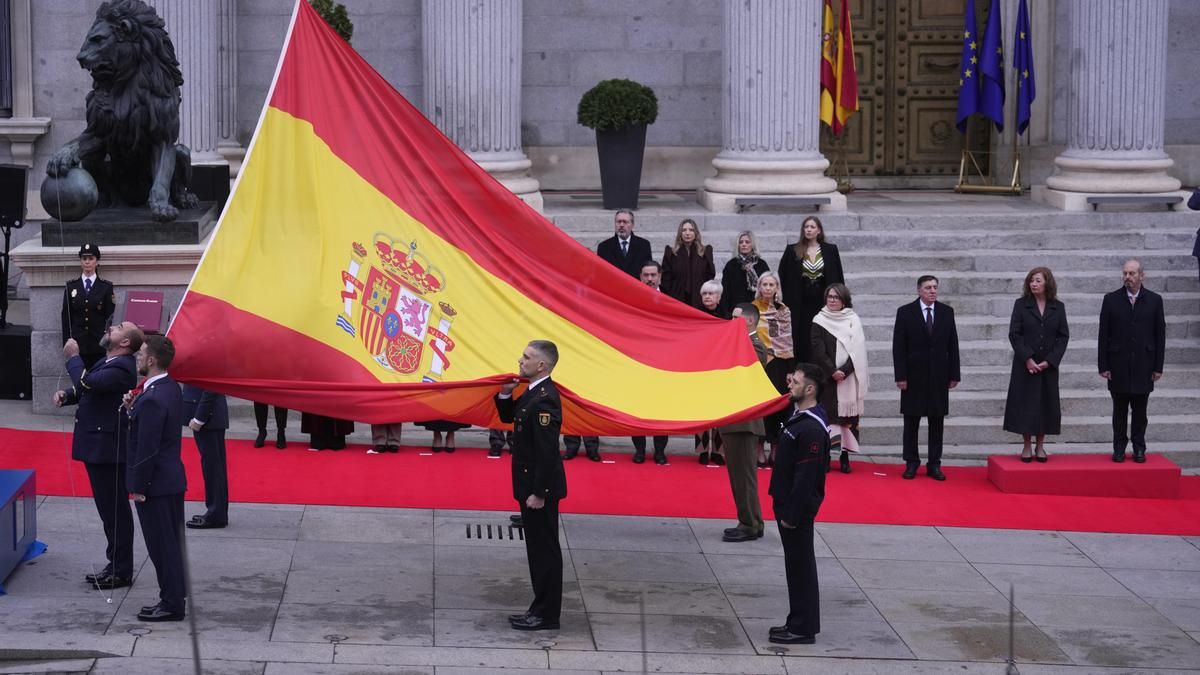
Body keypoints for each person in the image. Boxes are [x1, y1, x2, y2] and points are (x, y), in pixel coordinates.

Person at [53, 320, 142, 591]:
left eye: (118, 328)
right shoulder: (109, 362)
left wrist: (73, 358)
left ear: (125, 342)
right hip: (99, 445)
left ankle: (121, 569)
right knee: (108, 511)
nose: (111, 328)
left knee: (114, 511)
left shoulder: (122, 367)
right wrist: (67, 396)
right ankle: (114, 564)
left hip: (107, 449)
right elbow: (89, 389)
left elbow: (89, 382)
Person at [495, 340, 566, 631]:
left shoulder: (545, 399)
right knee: (537, 550)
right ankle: (540, 608)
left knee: (544, 551)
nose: (519, 360)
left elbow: (547, 452)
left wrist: (539, 493)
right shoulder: (533, 392)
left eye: (526, 357)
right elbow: (509, 417)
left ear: (542, 365)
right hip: (530, 485)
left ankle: (546, 614)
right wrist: (504, 394)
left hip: (540, 489)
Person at [125, 335, 187, 622]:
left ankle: (171, 603)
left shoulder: (151, 398)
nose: (137, 357)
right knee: (170, 543)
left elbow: (147, 448)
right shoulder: (169, 388)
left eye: (141, 354)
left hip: (156, 484)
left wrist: (138, 487)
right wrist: (131, 409)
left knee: (161, 545)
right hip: (170, 478)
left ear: (151, 360)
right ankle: (174, 595)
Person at [767, 362, 829, 645]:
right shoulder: (800, 417)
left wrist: (791, 514)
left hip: (796, 510)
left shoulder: (812, 429)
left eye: (796, 382)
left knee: (801, 567)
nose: (790, 384)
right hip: (786, 503)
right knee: (795, 566)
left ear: (810, 389)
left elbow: (806, 478)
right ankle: (797, 621)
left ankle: (803, 628)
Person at [892, 275, 960, 481]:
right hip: (913, 377)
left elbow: (953, 345)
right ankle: (911, 463)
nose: (933, 291)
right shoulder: (905, 312)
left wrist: (954, 374)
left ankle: (934, 464)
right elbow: (898, 347)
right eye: (928, 287)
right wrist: (901, 376)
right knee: (911, 422)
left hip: (939, 376)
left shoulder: (947, 313)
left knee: (936, 422)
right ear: (919, 290)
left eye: (935, 287)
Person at [1098, 259, 1166, 463]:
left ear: (1141, 276)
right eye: (1125, 273)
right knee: (1119, 412)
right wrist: (1103, 365)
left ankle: (1139, 448)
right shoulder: (1110, 299)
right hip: (1117, 365)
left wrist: (1158, 366)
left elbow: (1160, 335)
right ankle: (1119, 448)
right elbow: (1104, 334)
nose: (1127, 277)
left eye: (1132, 274)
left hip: (1144, 365)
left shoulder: (1155, 300)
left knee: (1140, 412)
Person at [1003, 268, 1070, 463]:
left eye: (1038, 280)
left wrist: (1050, 360)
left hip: (1047, 366)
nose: (1034, 284)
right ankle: (1026, 445)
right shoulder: (1021, 305)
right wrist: (1028, 358)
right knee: (1026, 405)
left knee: (1045, 404)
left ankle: (1040, 446)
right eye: (1031, 280)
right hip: (1026, 365)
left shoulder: (1058, 307)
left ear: (1047, 283)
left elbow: (1063, 336)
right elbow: (1014, 334)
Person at [719, 302, 768, 542]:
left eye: (735, 317)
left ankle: (749, 523)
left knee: (744, 476)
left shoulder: (754, 346)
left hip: (744, 422)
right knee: (739, 476)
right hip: (735, 421)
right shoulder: (739, 343)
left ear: (748, 321)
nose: (731, 320)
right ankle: (752, 520)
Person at [810, 283, 869, 474]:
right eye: (830, 297)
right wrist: (832, 370)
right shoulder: (819, 319)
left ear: (844, 300)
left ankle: (845, 457)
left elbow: (858, 350)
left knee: (846, 419)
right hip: (828, 379)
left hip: (848, 378)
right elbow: (817, 348)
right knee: (828, 418)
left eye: (836, 297)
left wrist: (845, 370)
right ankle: (825, 456)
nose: (833, 300)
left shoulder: (853, 319)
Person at [777, 217, 845, 362]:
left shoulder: (830, 250)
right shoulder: (793, 250)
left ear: (818, 230)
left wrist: (841, 299)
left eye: (812, 227)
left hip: (822, 298)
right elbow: (783, 273)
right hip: (800, 301)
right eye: (806, 227)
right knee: (802, 334)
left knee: (821, 333)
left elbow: (838, 274)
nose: (808, 229)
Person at [752, 272, 794, 467]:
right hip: (758, 363)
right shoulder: (752, 310)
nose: (768, 288)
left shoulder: (783, 311)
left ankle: (775, 447)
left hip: (779, 363)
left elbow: (785, 341)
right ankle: (759, 447)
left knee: (778, 408)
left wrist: (790, 369)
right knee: (761, 408)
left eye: (771, 285)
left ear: (777, 288)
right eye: (764, 284)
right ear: (759, 287)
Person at [632, 260, 669, 464]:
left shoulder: (670, 299)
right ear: (640, 276)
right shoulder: (631, 299)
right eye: (645, 275)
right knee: (638, 407)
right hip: (637, 361)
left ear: (659, 276)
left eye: (653, 275)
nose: (649, 279)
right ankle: (639, 450)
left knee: (660, 408)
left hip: (662, 362)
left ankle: (660, 451)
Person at [61, 242, 116, 370]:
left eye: (91, 259)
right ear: (80, 261)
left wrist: (109, 343)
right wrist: (67, 341)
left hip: (99, 345)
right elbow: (66, 317)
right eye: (84, 259)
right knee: (79, 379)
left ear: (97, 261)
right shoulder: (71, 287)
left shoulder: (105, 287)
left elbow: (110, 317)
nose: (87, 262)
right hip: (78, 344)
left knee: (98, 379)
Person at [181, 384, 229, 528]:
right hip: (207, 416)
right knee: (213, 467)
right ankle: (216, 511)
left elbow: (211, 385)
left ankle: (216, 514)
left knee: (213, 468)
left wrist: (199, 418)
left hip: (208, 417)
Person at [696, 279, 728, 465]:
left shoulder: (727, 316)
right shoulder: (695, 314)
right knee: (701, 410)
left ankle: (718, 451)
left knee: (719, 412)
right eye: (704, 294)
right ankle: (701, 450)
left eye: (711, 294)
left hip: (721, 368)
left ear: (719, 296)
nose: (707, 297)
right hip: (700, 368)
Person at [660, 218, 716, 309]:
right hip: (677, 300)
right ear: (680, 233)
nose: (687, 233)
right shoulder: (671, 253)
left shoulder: (705, 252)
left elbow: (710, 275)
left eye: (691, 230)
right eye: (684, 230)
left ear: (696, 233)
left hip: (699, 300)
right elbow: (666, 279)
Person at [719, 231, 770, 315]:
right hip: (736, 310)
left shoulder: (762, 265)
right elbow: (725, 292)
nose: (744, 244)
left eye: (747, 242)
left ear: (752, 245)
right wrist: (726, 313)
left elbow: (767, 287)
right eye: (741, 242)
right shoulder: (731, 265)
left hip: (757, 310)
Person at [596, 209, 652, 278]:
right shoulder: (604, 247)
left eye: (625, 222)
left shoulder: (643, 245)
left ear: (632, 225)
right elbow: (601, 274)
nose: (621, 225)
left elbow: (648, 271)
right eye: (619, 222)